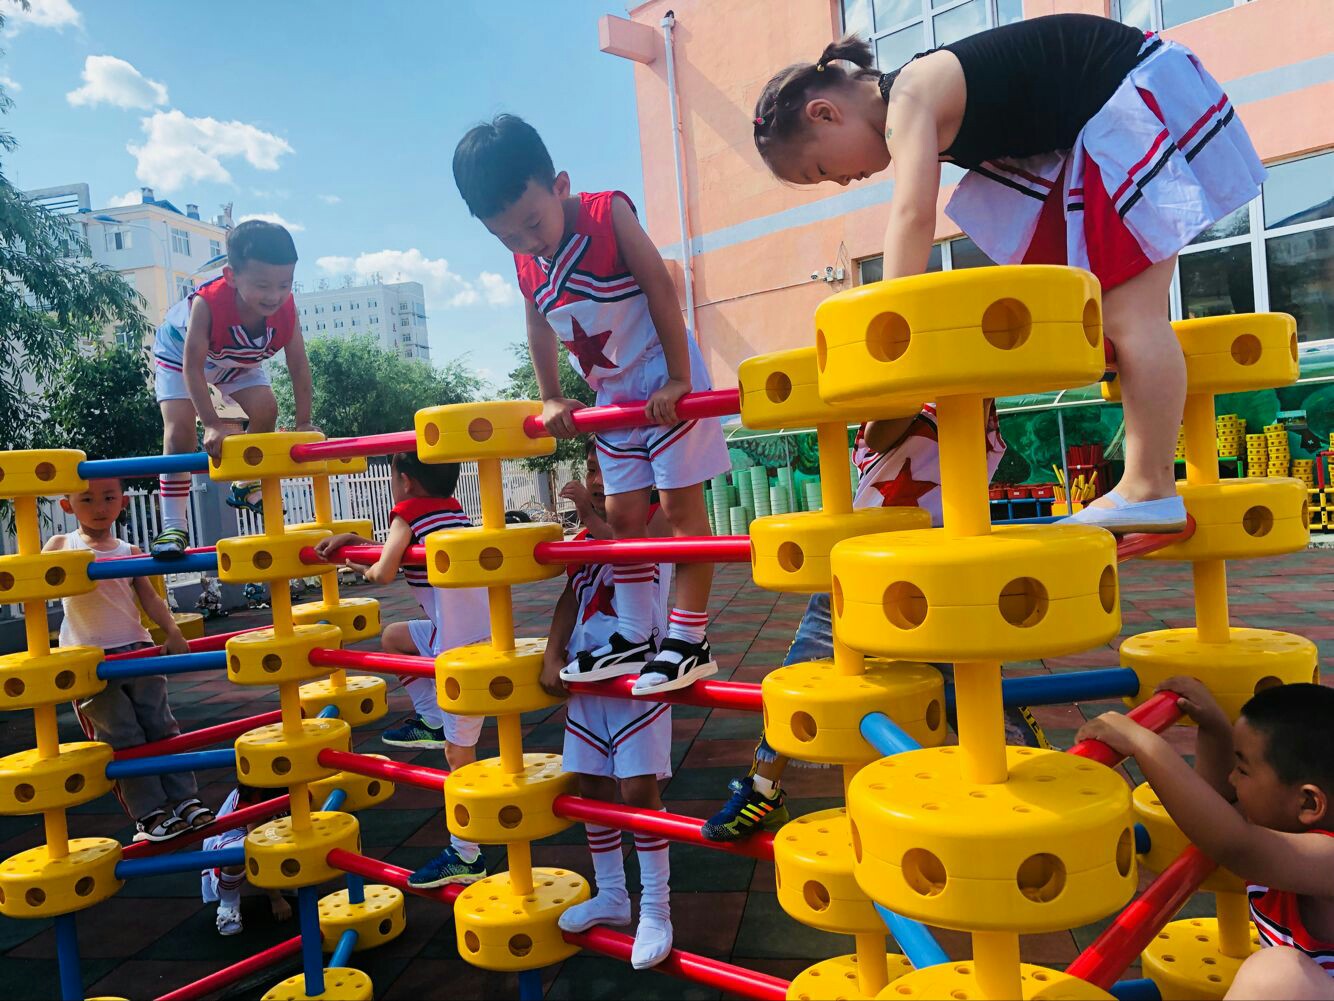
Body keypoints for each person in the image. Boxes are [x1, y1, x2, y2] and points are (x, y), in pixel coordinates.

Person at [750, 13, 1265, 533]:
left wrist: (888, 332)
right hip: (1109, 106)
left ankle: (1151, 485)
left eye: (822, 170)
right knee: (1116, 313)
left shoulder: (909, 98)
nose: (841, 181)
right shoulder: (914, 97)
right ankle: (1149, 484)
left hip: (1128, 95)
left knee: (1131, 316)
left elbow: (912, 215)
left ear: (825, 113)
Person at [453, 114, 731, 696]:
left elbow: (659, 286)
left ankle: (689, 637)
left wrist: (679, 378)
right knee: (624, 517)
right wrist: (551, 395)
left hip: (661, 375)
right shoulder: (527, 262)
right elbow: (538, 324)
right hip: (612, 395)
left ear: (560, 186)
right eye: (507, 236)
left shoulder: (608, 214)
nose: (527, 241)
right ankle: (633, 633)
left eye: (533, 223)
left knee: (678, 510)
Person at [702, 409, 1048, 842]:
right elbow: (881, 433)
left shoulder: (968, 405)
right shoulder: (886, 408)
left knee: (975, 687)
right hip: (859, 570)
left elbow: (975, 394)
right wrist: (908, 387)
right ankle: (762, 788)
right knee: (801, 677)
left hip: (939, 577)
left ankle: (1040, 774)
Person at [1079, 680, 1334, 998]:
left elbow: (1233, 844)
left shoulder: (1327, 859)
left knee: (1278, 976)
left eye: (1242, 769)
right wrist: (1214, 728)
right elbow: (1217, 802)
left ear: (1308, 803)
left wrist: (1143, 744)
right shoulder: (1282, 823)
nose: (1231, 776)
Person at [316, 451, 491, 888]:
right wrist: (356, 540)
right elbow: (404, 551)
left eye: (394, 477)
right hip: (466, 633)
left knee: (459, 756)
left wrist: (355, 563)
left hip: (461, 653)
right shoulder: (453, 514)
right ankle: (430, 717)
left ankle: (467, 854)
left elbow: (384, 572)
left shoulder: (407, 513)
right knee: (395, 638)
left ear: (406, 481)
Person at [540, 439, 677, 969]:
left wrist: (589, 516)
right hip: (587, 676)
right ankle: (612, 892)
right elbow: (571, 596)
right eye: (593, 469)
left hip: (638, 677)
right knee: (591, 782)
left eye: (609, 469)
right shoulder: (584, 538)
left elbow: (627, 546)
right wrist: (552, 653)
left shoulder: (655, 519)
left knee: (638, 787)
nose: (598, 480)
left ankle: (657, 908)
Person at [46, 477, 214, 841]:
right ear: (67, 505)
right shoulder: (61, 545)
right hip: (90, 660)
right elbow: (37, 582)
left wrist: (172, 631)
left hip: (137, 650)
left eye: (108, 498)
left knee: (162, 727)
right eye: (87, 500)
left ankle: (185, 799)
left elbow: (150, 598)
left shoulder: (129, 550)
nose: (99, 507)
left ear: (123, 502)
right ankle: (149, 812)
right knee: (122, 735)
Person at [151, 219, 317, 556]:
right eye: (263, 285)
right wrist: (211, 423)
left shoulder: (286, 310)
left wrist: (304, 422)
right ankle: (173, 526)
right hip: (181, 353)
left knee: (266, 409)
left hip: (237, 358)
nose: (274, 296)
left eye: (284, 284)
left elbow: (298, 365)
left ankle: (244, 483)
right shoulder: (208, 303)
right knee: (180, 432)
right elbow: (192, 367)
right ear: (231, 276)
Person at [202, 783, 293, 936]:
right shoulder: (255, 792)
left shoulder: (282, 784)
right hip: (229, 842)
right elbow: (258, 847)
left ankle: (281, 878)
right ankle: (228, 903)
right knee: (238, 857)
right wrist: (276, 899)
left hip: (261, 833)